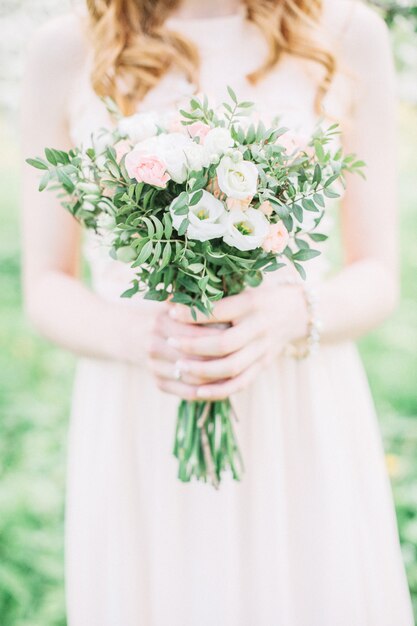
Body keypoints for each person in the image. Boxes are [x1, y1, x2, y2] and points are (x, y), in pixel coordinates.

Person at [21, 0, 414, 624]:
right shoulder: (66, 48)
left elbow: (379, 276)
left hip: (298, 405)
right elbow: (44, 282)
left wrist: (293, 313)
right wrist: (137, 335)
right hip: (140, 402)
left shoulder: (344, 33)